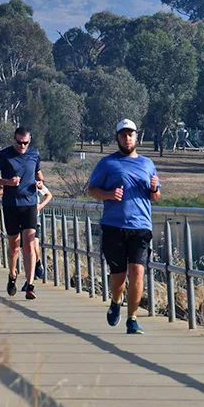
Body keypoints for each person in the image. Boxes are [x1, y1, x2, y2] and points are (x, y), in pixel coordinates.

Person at [86, 119, 161, 335]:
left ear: (137, 137)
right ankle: (116, 301)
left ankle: (133, 319)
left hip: (141, 226)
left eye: (131, 135)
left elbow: (155, 196)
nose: (127, 138)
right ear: (117, 137)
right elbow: (92, 190)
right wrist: (109, 195)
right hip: (113, 225)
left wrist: (155, 188)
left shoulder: (147, 164)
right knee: (118, 275)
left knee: (137, 271)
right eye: (123, 135)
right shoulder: (107, 163)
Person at [0, 127, 43, 300]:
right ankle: (12, 275)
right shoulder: (4, 155)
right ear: (14, 140)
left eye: (25, 143)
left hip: (30, 204)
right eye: (19, 142)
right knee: (14, 246)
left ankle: (30, 284)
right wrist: (6, 182)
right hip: (11, 205)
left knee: (29, 243)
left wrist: (40, 183)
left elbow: (39, 174)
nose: (22, 146)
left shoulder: (34, 154)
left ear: (30, 141)